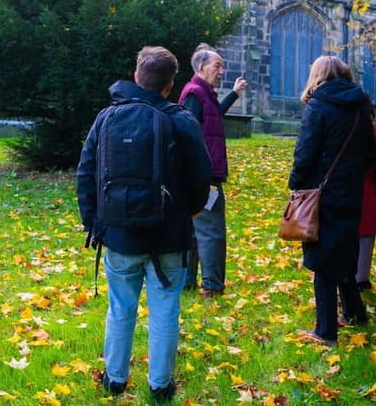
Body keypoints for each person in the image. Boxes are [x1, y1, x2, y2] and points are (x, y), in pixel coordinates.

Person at [76, 46, 211, 400]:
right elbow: (202, 178)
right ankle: (160, 384)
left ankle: (115, 379)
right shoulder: (181, 120)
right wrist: (190, 213)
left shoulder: (106, 118)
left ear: (137, 76)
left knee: (120, 306)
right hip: (170, 235)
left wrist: (94, 223)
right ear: (170, 85)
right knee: (166, 307)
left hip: (119, 235)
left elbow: (86, 173)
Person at [287, 56, 375, 346]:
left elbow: (305, 152)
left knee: (322, 260)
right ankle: (354, 311)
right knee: (346, 252)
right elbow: (372, 153)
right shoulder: (362, 105)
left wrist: (296, 185)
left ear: (317, 75)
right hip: (351, 190)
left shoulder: (318, 105)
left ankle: (325, 330)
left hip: (321, 192)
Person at [179, 43, 248, 297]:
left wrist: (233, 94)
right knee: (211, 232)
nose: (222, 71)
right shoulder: (195, 93)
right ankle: (212, 286)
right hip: (203, 176)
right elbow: (187, 135)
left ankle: (187, 282)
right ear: (201, 67)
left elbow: (214, 117)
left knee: (196, 232)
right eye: (217, 66)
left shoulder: (204, 94)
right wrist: (197, 174)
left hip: (202, 174)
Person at [355, 109, 376, 292]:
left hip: (356, 184)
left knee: (356, 233)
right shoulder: (373, 127)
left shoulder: (353, 125)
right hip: (370, 183)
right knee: (367, 235)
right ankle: (362, 276)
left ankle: (355, 276)